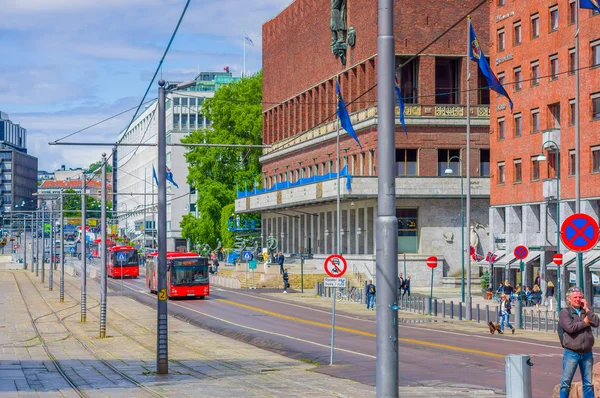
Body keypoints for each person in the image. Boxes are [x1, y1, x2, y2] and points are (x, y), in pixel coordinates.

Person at [558, 287, 600, 398]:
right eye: (575, 297)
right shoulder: (564, 312)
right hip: (572, 352)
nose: (578, 299)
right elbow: (570, 328)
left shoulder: (584, 311)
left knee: (587, 383)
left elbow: (596, 322)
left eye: (580, 297)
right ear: (569, 299)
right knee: (566, 383)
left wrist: (587, 308)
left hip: (587, 352)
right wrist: (584, 323)